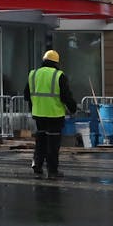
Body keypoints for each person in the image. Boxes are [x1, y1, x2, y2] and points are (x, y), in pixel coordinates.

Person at [24, 49, 76, 178]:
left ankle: (37, 163)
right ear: (56, 63)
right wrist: (73, 108)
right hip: (54, 114)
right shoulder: (58, 75)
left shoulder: (33, 74)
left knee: (40, 140)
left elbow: (26, 94)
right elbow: (66, 96)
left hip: (38, 114)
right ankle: (52, 171)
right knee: (53, 144)